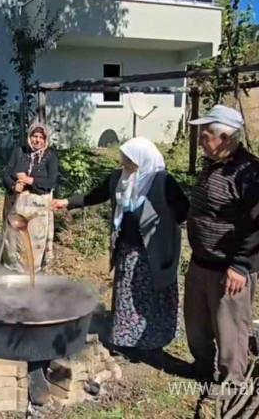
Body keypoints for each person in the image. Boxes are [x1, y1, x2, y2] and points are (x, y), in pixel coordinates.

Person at [52, 137, 188, 355]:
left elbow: (183, 210)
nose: (123, 162)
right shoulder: (119, 177)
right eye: (124, 157)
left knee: (153, 295)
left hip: (155, 251)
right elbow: (97, 194)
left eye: (129, 159)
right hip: (128, 248)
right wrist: (67, 203)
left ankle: (153, 342)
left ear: (142, 159)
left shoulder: (161, 180)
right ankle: (125, 340)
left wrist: (163, 227)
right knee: (127, 295)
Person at [184, 105, 259, 394]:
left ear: (225, 137)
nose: (200, 140)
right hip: (202, 262)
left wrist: (240, 265)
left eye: (205, 134)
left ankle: (232, 382)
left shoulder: (248, 173)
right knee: (196, 323)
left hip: (229, 269)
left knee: (230, 329)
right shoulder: (215, 164)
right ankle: (202, 368)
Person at [0, 122, 58, 274]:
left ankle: (32, 275)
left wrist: (29, 181)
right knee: (14, 241)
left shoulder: (50, 156)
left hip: (37, 208)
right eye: (34, 136)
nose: (37, 140)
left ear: (45, 140)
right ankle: (13, 274)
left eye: (41, 137)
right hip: (16, 204)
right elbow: (6, 174)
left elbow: (51, 182)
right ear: (29, 137)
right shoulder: (19, 152)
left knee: (33, 244)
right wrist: (14, 186)